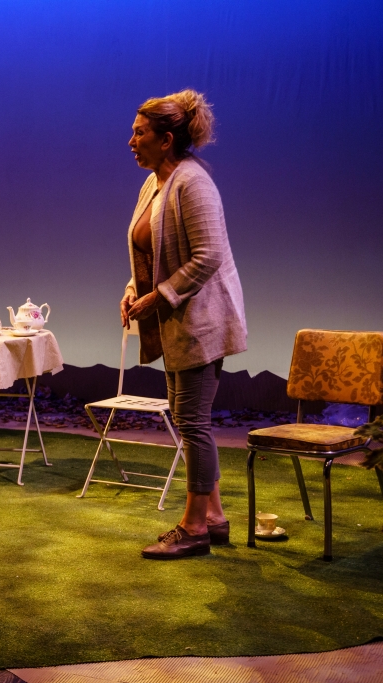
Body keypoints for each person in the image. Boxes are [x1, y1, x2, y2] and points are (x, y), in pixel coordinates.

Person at [119, 90, 247, 559]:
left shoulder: (193, 182)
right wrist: (133, 290)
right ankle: (214, 518)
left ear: (166, 139)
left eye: (139, 133)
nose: (131, 141)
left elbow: (207, 256)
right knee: (188, 418)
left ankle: (193, 528)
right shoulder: (154, 183)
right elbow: (150, 252)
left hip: (203, 321)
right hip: (179, 320)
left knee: (192, 422)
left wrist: (160, 296)